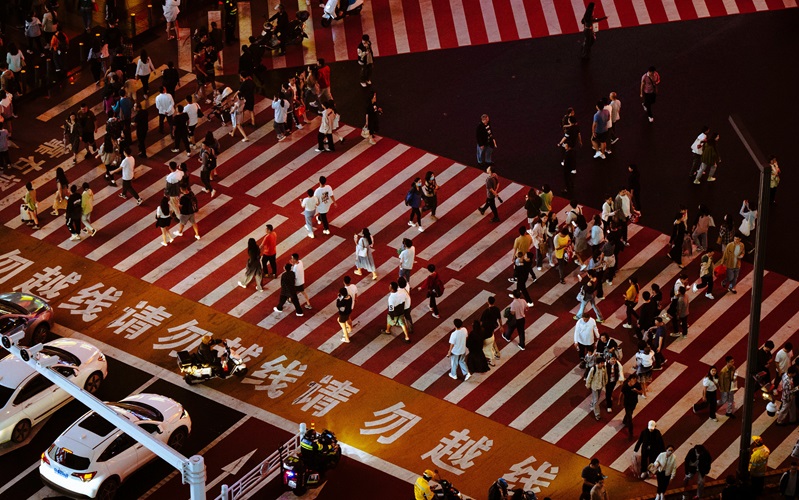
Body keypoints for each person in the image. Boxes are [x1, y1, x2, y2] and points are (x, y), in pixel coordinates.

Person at [619, 374, 643, 439]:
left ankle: (624, 420)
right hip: (627, 403)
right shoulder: (625, 386)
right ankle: (630, 433)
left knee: (630, 412)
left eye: (635, 380)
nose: (634, 381)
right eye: (633, 380)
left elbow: (641, 393)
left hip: (634, 402)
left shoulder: (637, 385)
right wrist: (619, 401)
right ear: (629, 380)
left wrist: (636, 391)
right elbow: (621, 393)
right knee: (630, 418)